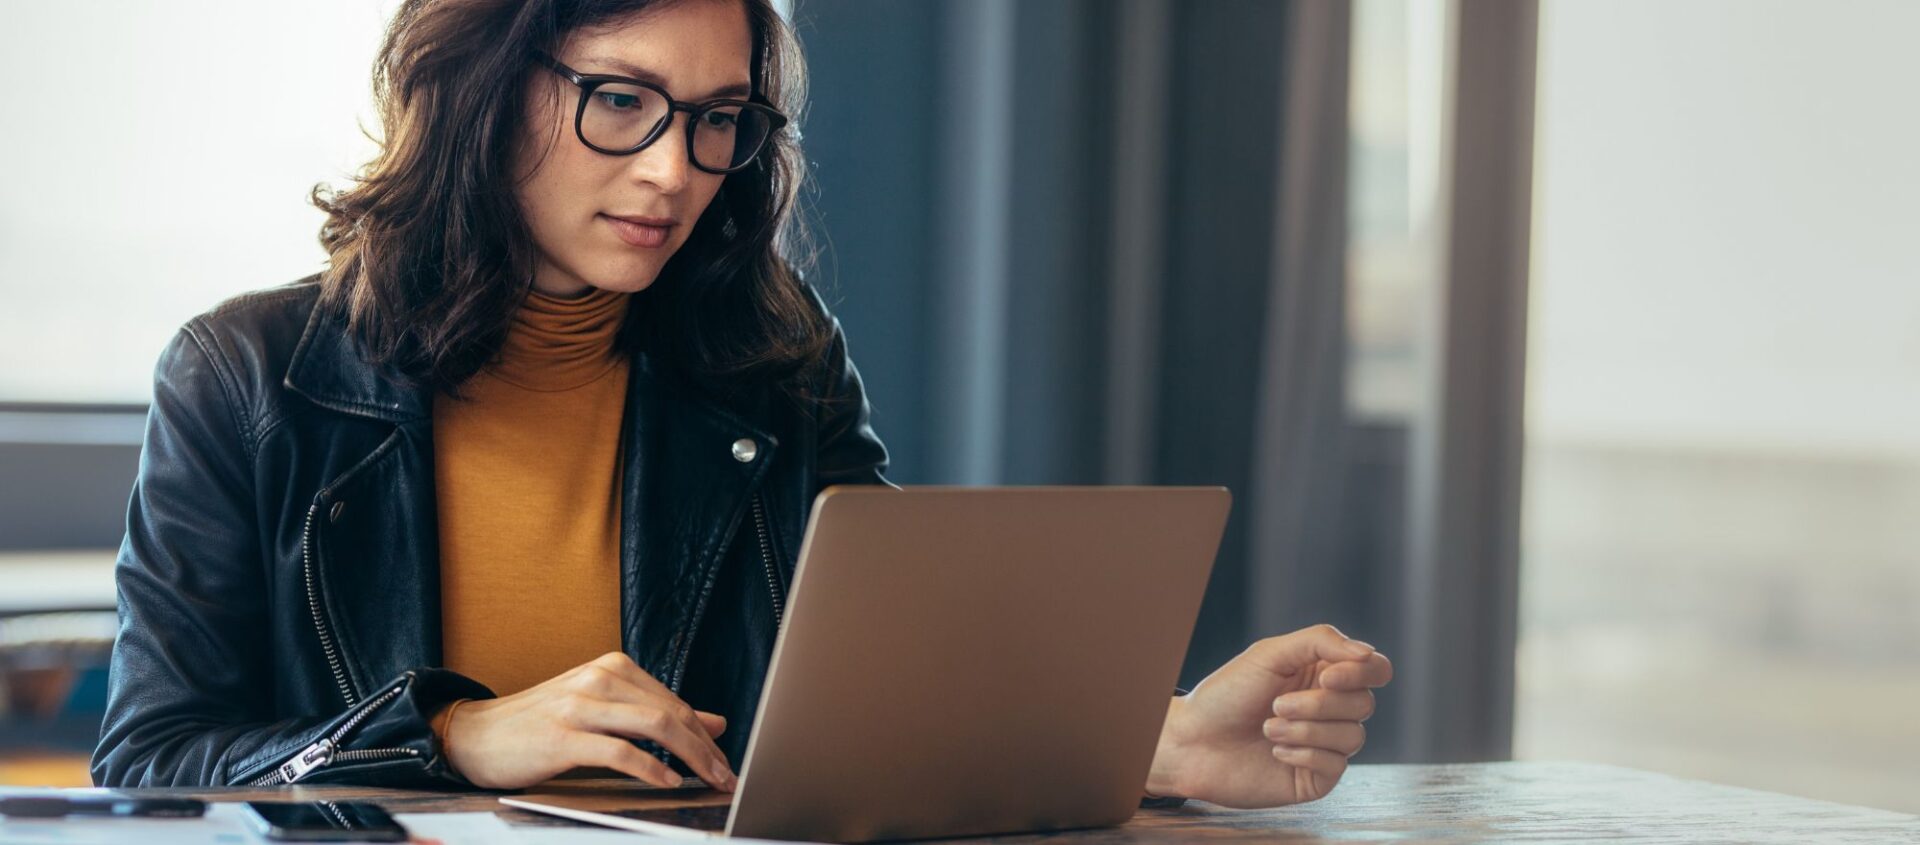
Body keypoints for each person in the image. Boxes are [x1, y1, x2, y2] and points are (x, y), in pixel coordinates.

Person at [90, 0, 1392, 810]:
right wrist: (450, 734)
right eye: (620, 100)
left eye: (717, 119)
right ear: (482, 86)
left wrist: (1153, 742)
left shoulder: (772, 356)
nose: (674, 169)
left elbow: (891, 697)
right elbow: (151, 761)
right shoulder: (250, 375)